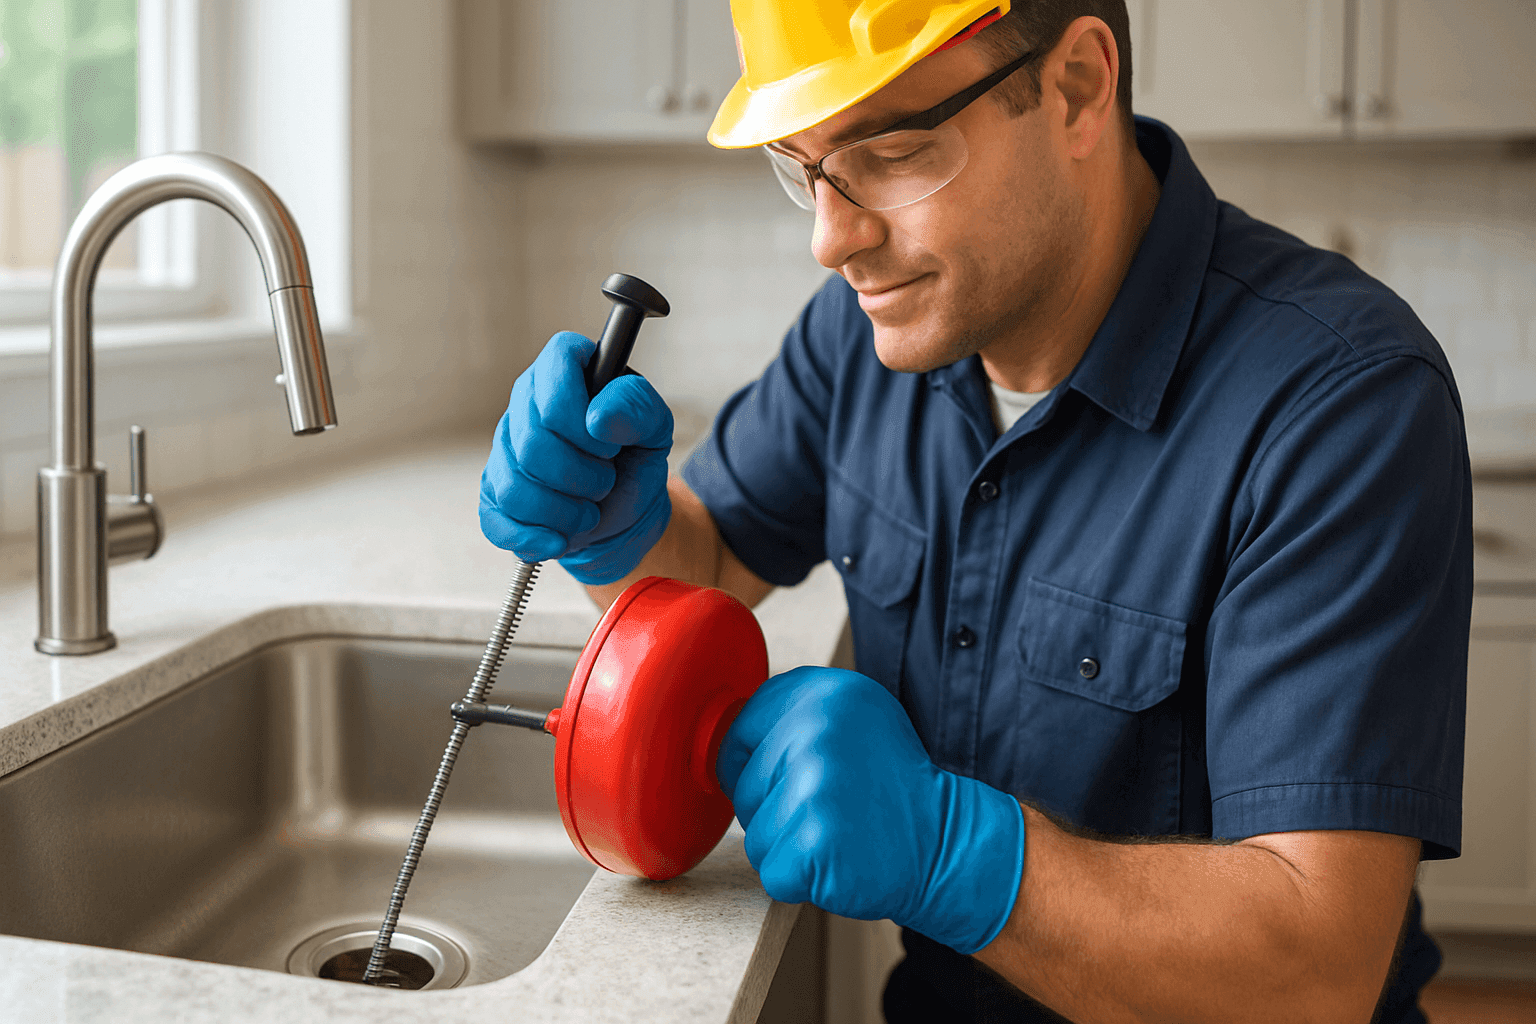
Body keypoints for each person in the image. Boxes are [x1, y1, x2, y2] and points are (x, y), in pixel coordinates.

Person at [478, 1, 1472, 1020]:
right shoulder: (863, 330)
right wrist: (621, 532)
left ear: (1078, 87)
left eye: (895, 151)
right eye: (802, 166)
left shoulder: (1338, 400)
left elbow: (1316, 973)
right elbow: (714, 560)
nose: (832, 238)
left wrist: (954, 852)